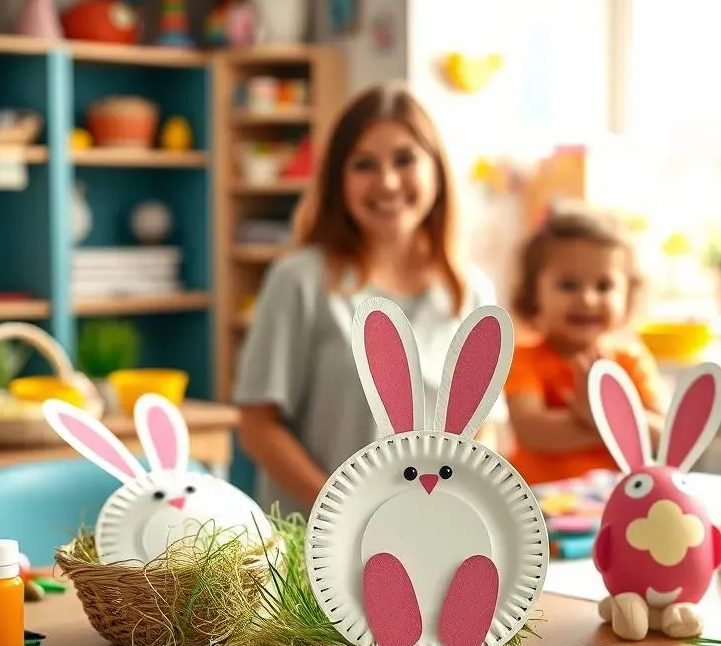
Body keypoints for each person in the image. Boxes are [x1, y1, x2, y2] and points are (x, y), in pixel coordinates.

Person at [234, 82, 500, 513]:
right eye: (364, 165)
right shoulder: (299, 281)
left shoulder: (471, 292)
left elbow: (485, 428)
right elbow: (257, 427)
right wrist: (346, 511)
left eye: (405, 159)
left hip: (428, 539)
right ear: (338, 179)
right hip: (315, 551)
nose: (388, 182)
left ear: (437, 169)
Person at [504, 207, 664, 486]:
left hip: (617, 507)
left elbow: (663, 435)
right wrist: (613, 422)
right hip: (540, 510)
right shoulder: (522, 358)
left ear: (628, 294)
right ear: (533, 292)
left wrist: (597, 417)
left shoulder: (631, 361)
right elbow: (532, 431)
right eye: (568, 285)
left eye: (604, 286)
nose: (588, 299)